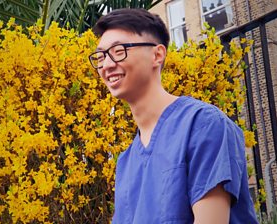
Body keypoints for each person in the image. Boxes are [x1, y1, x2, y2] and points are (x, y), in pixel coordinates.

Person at [88, 8, 259, 224]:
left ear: (157, 55)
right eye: (101, 56)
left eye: (118, 50)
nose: (106, 64)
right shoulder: (126, 161)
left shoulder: (203, 125)